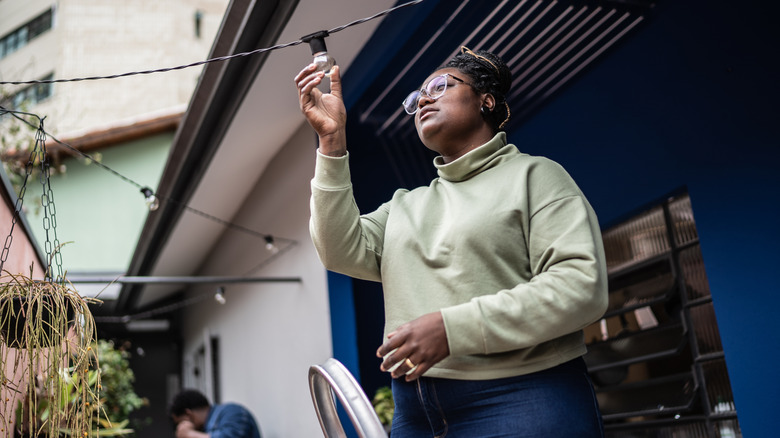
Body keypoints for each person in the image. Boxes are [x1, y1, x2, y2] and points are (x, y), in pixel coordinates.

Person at [296, 46, 608, 437]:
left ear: (486, 100)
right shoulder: (405, 207)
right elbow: (337, 249)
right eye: (417, 97)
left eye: (440, 85)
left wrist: (453, 329)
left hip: (522, 394)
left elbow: (582, 287)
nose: (424, 98)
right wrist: (332, 142)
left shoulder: (536, 176)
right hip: (415, 411)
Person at [169, 389, 261, 438]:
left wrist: (190, 434)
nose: (181, 428)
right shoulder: (205, 430)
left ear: (188, 414)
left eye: (181, 422)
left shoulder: (232, 412)